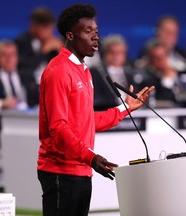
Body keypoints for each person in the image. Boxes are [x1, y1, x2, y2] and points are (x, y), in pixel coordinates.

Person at [37, 4, 155, 216]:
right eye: (88, 31)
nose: (95, 37)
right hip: (60, 171)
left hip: (82, 169)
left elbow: (86, 121)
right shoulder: (58, 71)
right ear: (70, 36)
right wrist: (90, 157)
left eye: (96, 32)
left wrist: (125, 108)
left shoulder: (84, 71)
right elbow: (58, 127)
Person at [90, 34, 144, 110]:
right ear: (105, 53)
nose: (116, 56)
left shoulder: (131, 73)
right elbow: (95, 99)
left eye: (120, 53)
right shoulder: (95, 73)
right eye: (112, 52)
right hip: (106, 113)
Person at [15, 6, 63, 82]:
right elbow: (23, 69)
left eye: (51, 28)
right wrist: (43, 52)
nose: (51, 32)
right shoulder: (21, 43)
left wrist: (62, 53)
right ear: (34, 27)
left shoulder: (57, 43)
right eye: (46, 28)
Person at [140, 38, 182, 107]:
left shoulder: (179, 73)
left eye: (164, 55)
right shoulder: (148, 80)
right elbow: (164, 101)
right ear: (150, 60)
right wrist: (167, 79)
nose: (162, 61)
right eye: (157, 58)